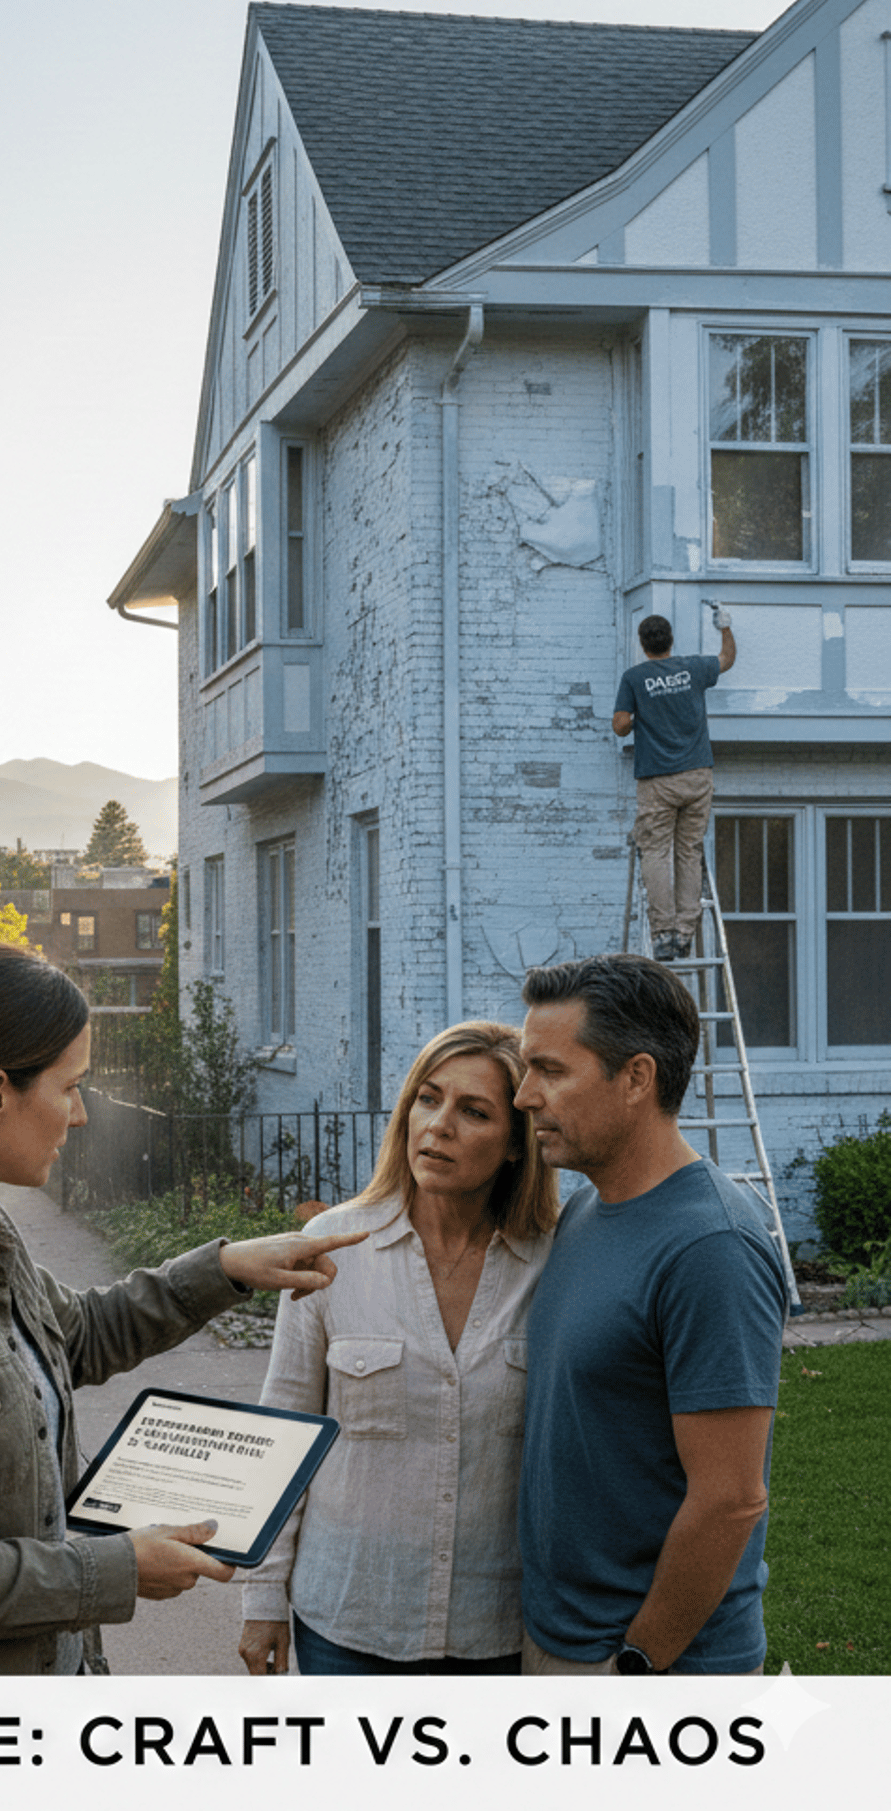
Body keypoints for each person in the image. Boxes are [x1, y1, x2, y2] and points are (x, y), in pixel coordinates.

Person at [0, 940, 368, 1676]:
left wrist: (223, 1269)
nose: (80, 1115)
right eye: (70, 1086)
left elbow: (74, 1335)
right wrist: (115, 1569)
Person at [239, 1021, 557, 1677]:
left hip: (495, 1627)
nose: (438, 1125)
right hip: (349, 1618)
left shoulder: (552, 1263)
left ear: (515, 1145)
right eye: (427, 1098)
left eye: (474, 1112)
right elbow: (282, 1431)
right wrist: (262, 1598)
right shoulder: (334, 1248)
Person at [516, 953, 789, 1675]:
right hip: (558, 1637)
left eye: (550, 1070)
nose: (523, 1096)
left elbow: (731, 1499)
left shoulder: (711, 1246)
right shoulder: (584, 1211)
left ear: (637, 1078)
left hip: (650, 1666)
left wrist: (639, 1663)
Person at [613, 608, 734, 962]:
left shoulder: (635, 678)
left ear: (642, 644)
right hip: (697, 775)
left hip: (658, 780)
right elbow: (726, 659)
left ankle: (663, 934)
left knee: (656, 852)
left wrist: (636, 717)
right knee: (689, 852)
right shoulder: (693, 668)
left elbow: (619, 725)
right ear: (671, 641)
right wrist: (725, 627)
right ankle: (684, 933)